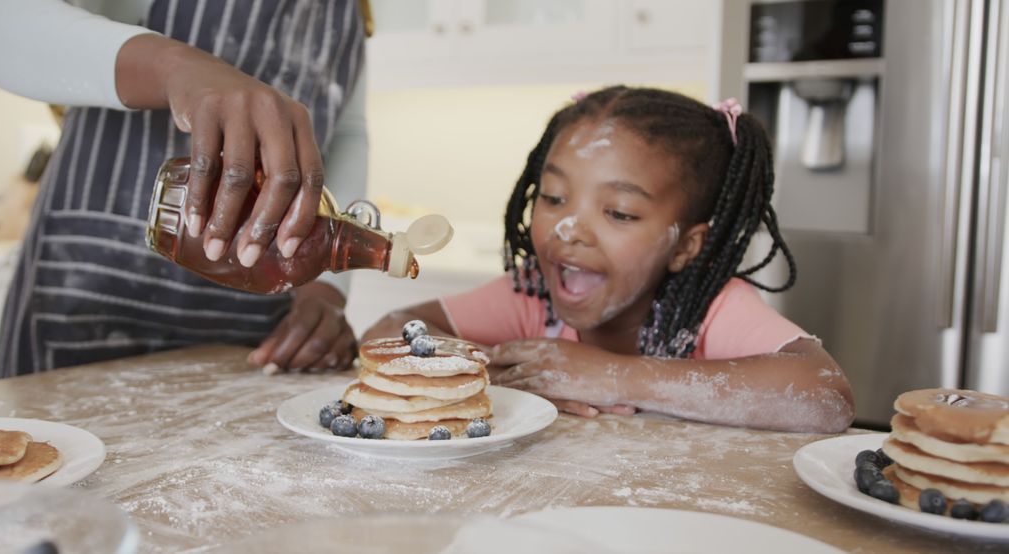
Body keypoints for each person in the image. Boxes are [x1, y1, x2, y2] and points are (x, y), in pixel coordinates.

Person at [364, 86, 855, 433]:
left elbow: (826, 396)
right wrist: (513, 372)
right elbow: (389, 329)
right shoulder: (531, 294)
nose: (569, 229)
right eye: (553, 198)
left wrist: (609, 375)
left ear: (687, 246)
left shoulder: (710, 310)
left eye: (618, 212)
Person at [0, 0, 368, 377]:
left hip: (257, 320)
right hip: (90, 294)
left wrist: (325, 287)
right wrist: (178, 69)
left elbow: (343, 128)